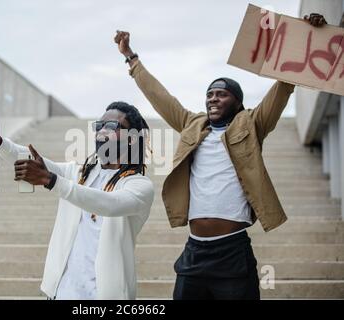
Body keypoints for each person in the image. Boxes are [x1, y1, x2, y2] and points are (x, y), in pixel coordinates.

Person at [113, 13, 327, 300]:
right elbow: (159, 96)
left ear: (237, 101)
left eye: (221, 94)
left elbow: (283, 85)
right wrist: (131, 58)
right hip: (194, 251)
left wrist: (306, 36)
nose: (213, 98)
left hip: (233, 252)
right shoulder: (192, 124)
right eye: (210, 94)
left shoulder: (253, 123)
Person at [0, 101, 154, 299]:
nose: (102, 132)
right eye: (99, 126)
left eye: (111, 127)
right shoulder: (78, 174)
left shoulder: (139, 185)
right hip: (60, 293)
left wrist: (52, 181)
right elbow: (27, 157)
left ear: (132, 139)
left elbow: (110, 204)